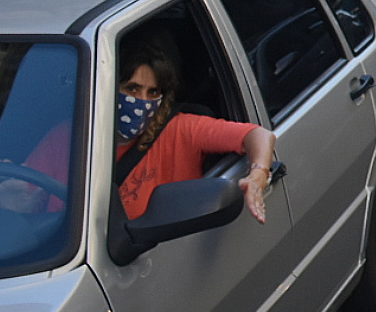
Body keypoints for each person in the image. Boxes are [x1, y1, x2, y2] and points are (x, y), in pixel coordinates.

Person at [114, 37, 276, 225]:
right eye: (132, 89)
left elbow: (259, 135)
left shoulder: (181, 129)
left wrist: (258, 176)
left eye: (153, 92)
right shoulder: (80, 137)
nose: (142, 101)